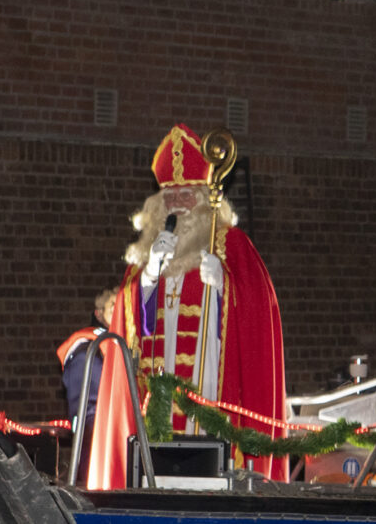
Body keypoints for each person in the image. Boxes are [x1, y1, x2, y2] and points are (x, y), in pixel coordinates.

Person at [85, 125, 288, 489]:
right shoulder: (147, 255)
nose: (177, 202)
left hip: (211, 391)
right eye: (170, 194)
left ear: (204, 195)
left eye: (186, 193)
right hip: (156, 402)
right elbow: (133, 327)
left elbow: (258, 318)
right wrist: (148, 276)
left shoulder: (231, 247)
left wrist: (225, 284)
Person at [57, 286, 120, 480]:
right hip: (99, 449)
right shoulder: (87, 350)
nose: (119, 312)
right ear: (99, 315)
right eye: (113, 307)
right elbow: (88, 413)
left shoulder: (122, 344)